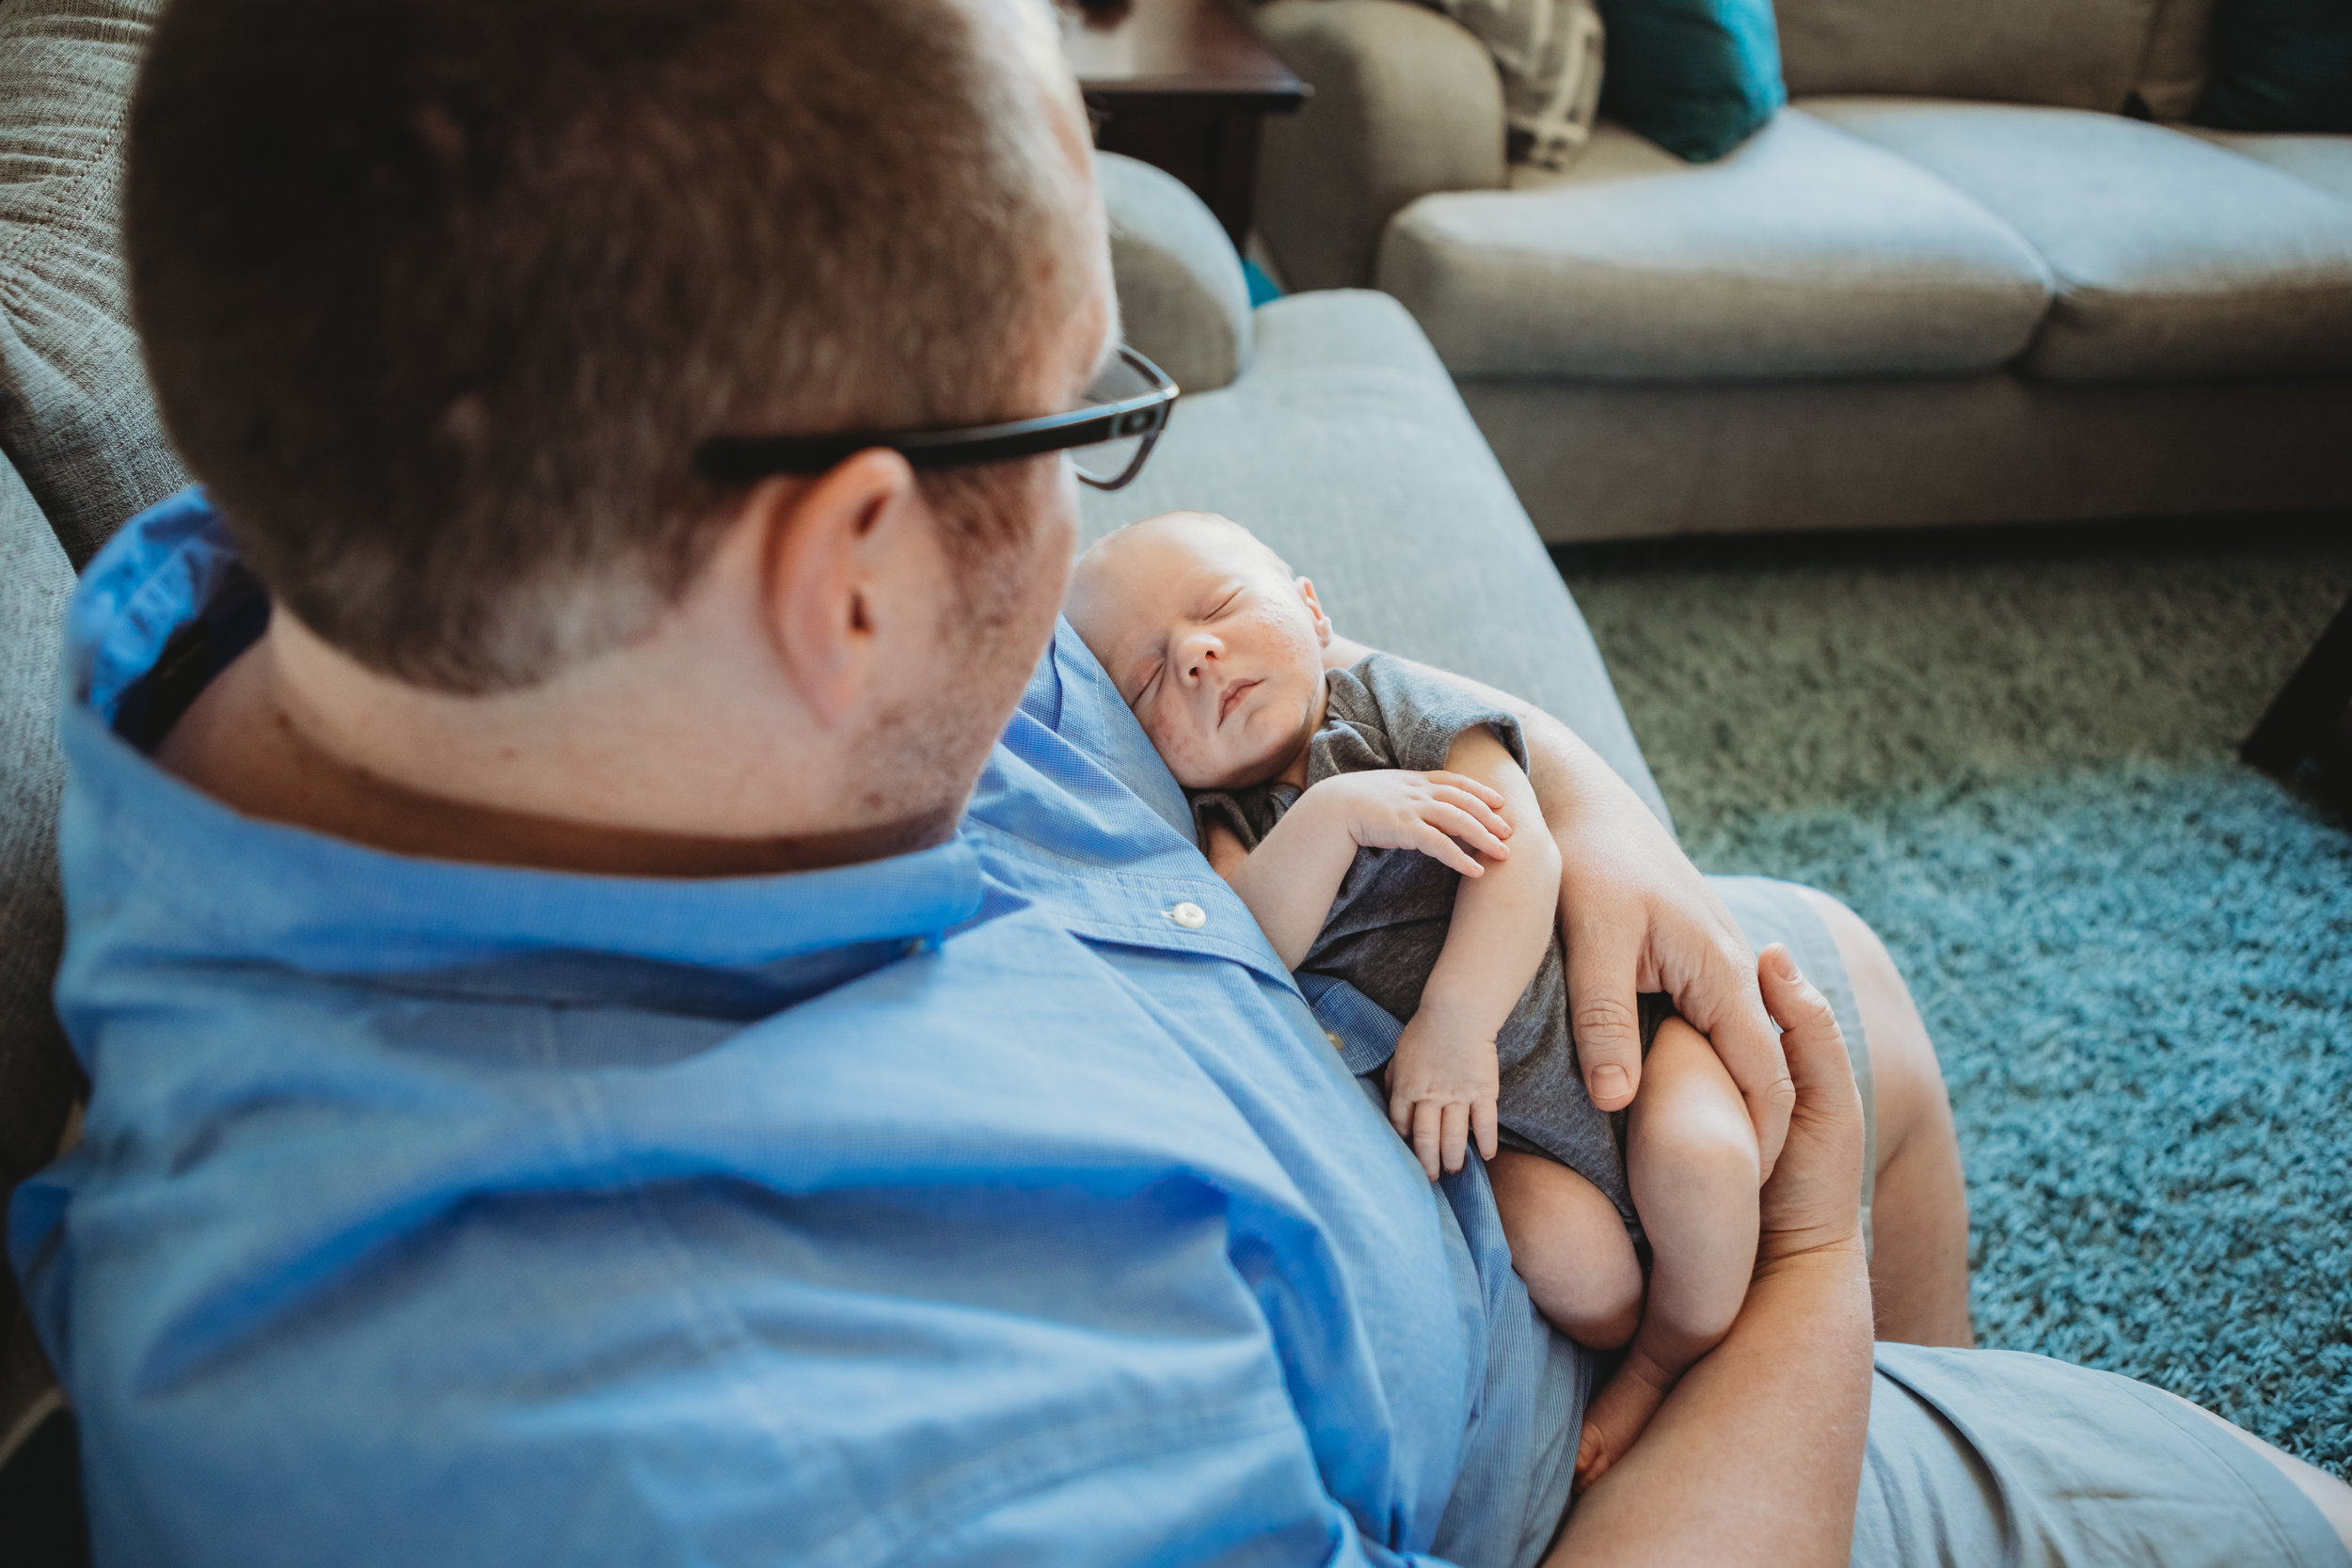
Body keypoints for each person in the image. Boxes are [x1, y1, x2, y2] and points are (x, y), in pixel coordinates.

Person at [9, 0, 2349, 1563]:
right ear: (840, 575)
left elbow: (1207, 673)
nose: (1097, 528)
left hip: (1381, 1116)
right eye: (1070, 423)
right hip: (1552, 1459)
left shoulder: (437, 597)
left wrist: (1583, 809)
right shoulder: (825, 1455)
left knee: (1833, 963)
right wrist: (1813, 1278)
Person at [1066, 511, 1761, 1486]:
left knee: (1703, 1162)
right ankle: (1633, 1346)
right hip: (1507, 1139)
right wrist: (1334, 816)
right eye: (1145, 679)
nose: (1195, 654)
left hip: (1619, 1049)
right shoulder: (1224, 827)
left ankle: (1664, 1360)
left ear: (1312, 612)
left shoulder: (1389, 707)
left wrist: (1456, 1019)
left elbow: (1519, 844)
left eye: (1218, 607)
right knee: (1583, 1274)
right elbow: (1254, 943)